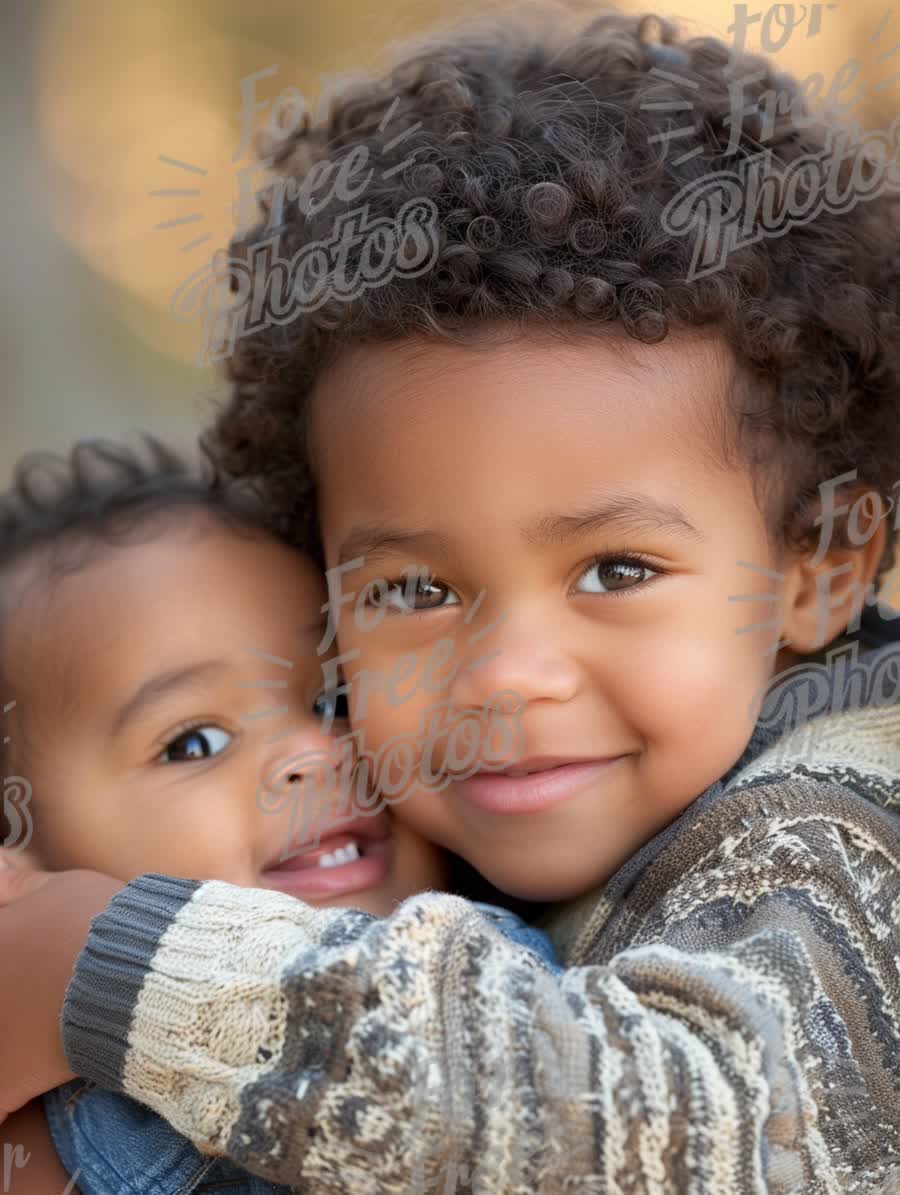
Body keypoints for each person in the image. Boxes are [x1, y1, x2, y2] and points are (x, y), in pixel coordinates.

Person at [2, 6, 900, 1192]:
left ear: (819, 563)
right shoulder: (461, 846)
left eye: (616, 570)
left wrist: (94, 963)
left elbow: (691, 1133)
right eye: (415, 588)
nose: (504, 671)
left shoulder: (841, 817)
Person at [0, 438, 558, 1195]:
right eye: (194, 741)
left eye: (333, 700)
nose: (314, 750)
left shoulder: (498, 982)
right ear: (16, 852)